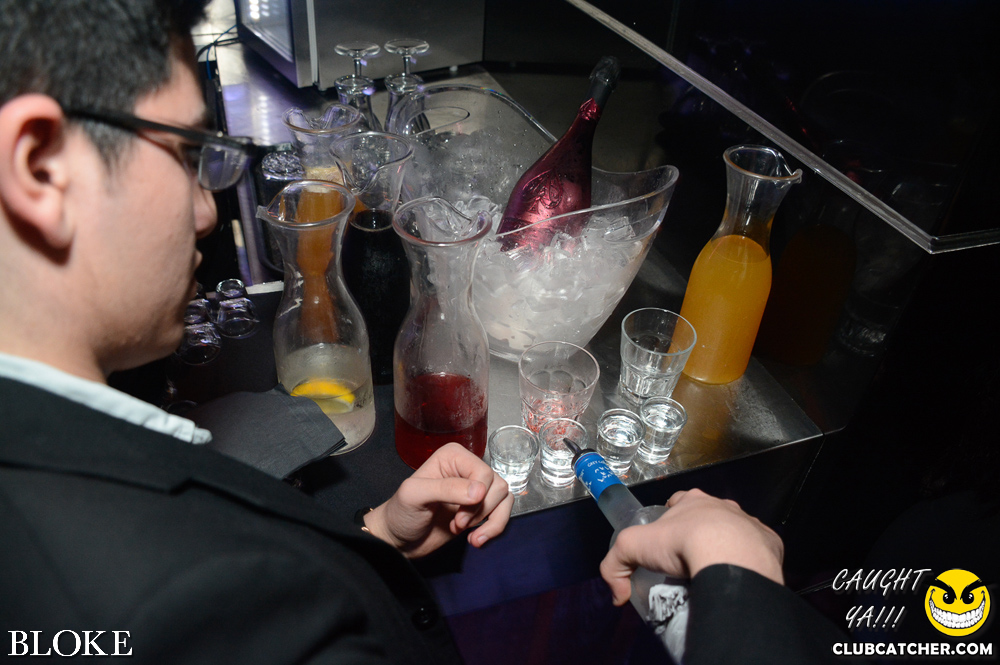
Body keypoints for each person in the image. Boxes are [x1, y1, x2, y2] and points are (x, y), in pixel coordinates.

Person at [0, 1, 511, 662]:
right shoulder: (178, 599)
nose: (206, 213)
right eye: (187, 153)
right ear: (40, 167)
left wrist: (378, 535)